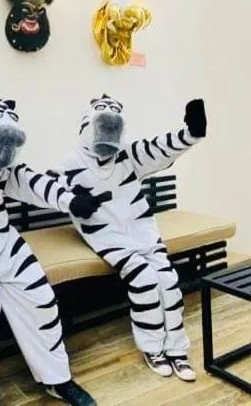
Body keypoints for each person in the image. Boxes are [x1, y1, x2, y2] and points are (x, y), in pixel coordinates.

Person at [0, 96, 106, 406]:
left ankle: (57, 379)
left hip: (3, 241)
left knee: (41, 300)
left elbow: (33, 183)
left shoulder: (6, 168)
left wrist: (71, 201)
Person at [53, 95, 207, 381]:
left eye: (115, 112)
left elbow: (158, 149)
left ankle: (176, 348)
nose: (109, 117)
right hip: (107, 236)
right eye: (102, 110)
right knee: (144, 280)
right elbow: (56, 193)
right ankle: (153, 348)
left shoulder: (126, 154)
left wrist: (191, 133)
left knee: (168, 281)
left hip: (142, 230)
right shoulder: (71, 162)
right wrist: (73, 202)